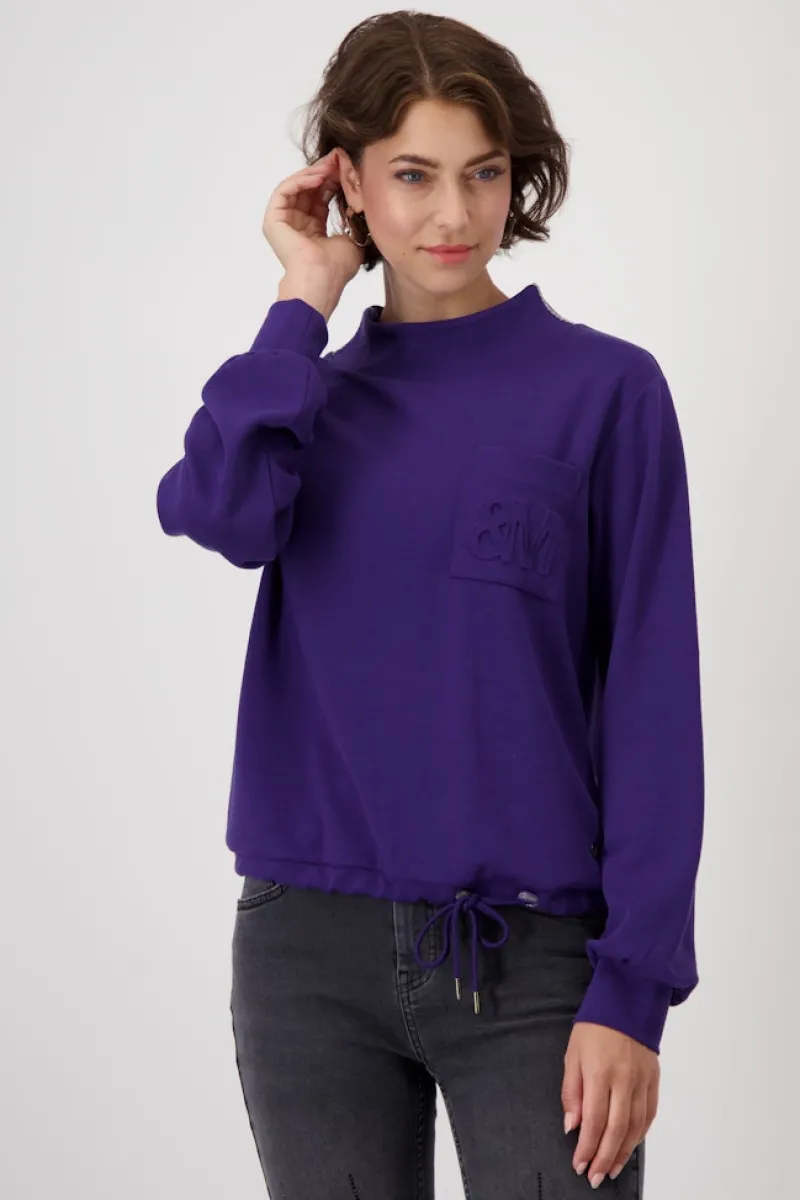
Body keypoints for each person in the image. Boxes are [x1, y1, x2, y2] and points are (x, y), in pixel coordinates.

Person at [155, 11, 704, 1198]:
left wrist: (633, 988)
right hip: (306, 951)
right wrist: (300, 299)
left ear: (515, 177)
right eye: (410, 175)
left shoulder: (605, 391)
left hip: (534, 953)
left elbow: (652, 700)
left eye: (482, 173)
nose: (452, 214)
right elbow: (219, 511)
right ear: (346, 181)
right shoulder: (301, 396)